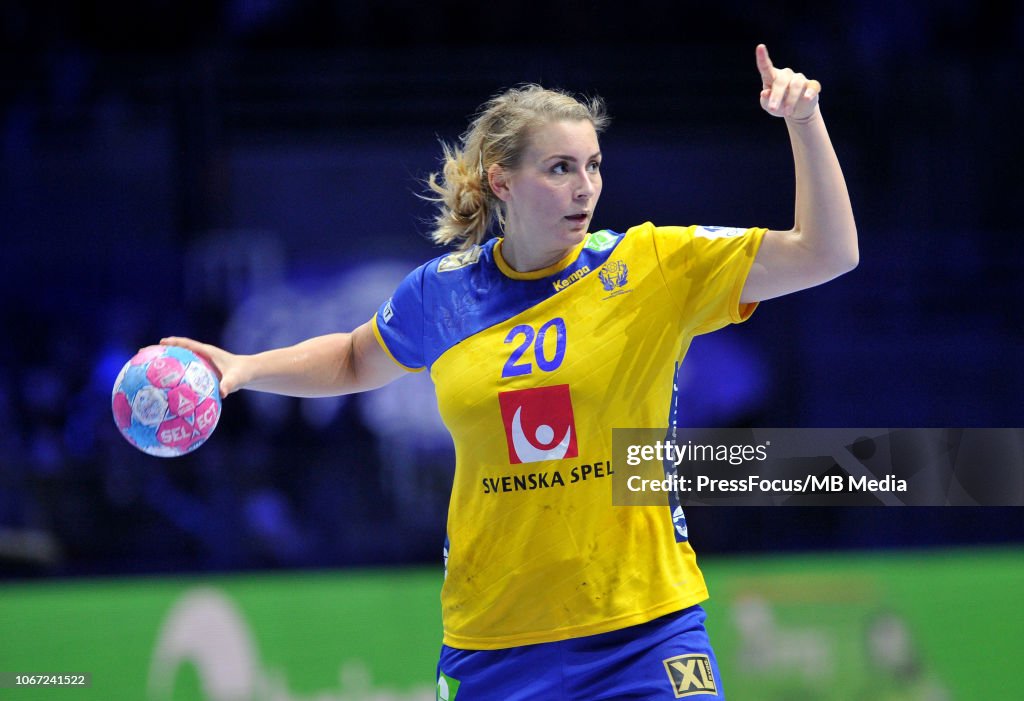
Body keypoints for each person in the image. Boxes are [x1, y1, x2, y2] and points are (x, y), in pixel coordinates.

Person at [162, 44, 857, 700]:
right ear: (502, 179)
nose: (585, 188)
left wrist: (805, 120)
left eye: (594, 165)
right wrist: (242, 367)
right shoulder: (443, 290)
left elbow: (826, 253)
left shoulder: (650, 267)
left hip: (646, 626)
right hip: (496, 642)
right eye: (560, 168)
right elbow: (351, 357)